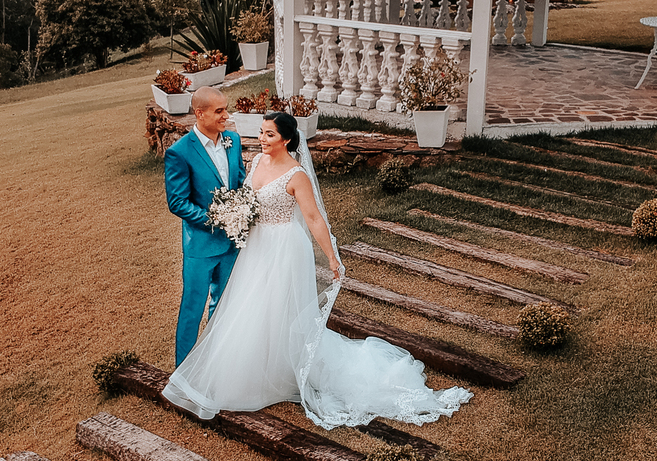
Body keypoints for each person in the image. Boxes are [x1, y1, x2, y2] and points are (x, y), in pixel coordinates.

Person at [162, 111, 472, 429]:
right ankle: (256, 366)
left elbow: (313, 219)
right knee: (253, 304)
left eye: (269, 134)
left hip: (285, 247)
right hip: (256, 246)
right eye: (261, 132)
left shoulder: (296, 175)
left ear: (286, 139)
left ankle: (285, 370)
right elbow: (247, 199)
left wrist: (333, 258)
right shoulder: (255, 162)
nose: (262, 139)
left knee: (280, 306)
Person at [164, 86, 246, 365]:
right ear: (200, 114)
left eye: (226, 109)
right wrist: (216, 219)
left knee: (223, 304)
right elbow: (177, 202)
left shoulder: (233, 141)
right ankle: (183, 371)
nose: (226, 116)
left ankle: (214, 363)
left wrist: (242, 211)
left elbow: (240, 184)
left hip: (232, 243)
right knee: (192, 307)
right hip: (200, 244)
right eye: (219, 111)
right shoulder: (180, 152)